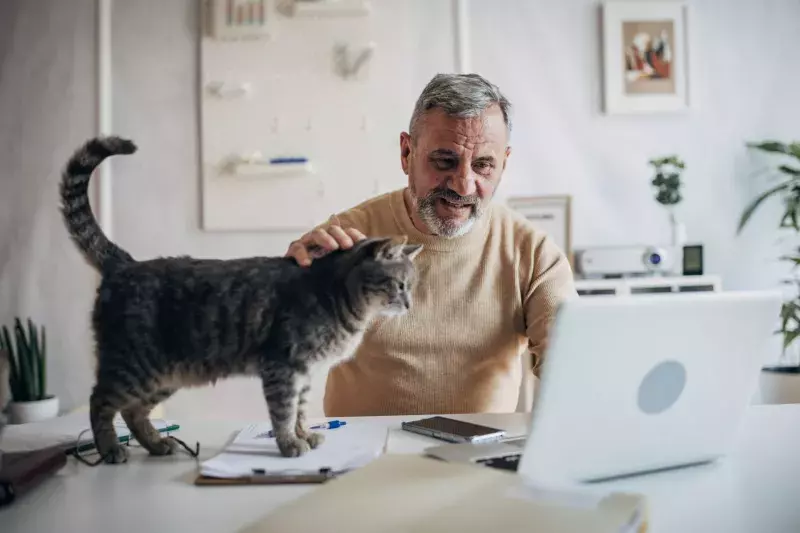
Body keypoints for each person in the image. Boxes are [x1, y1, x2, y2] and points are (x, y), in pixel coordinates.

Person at [286, 73, 577, 416]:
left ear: (504, 164)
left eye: (484, 165)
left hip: (476, 459)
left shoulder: (533, 253)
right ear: (407, 153)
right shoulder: (349, 237)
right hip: (365, 459)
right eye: (444, 162)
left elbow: (576, 374)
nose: (464, 185)